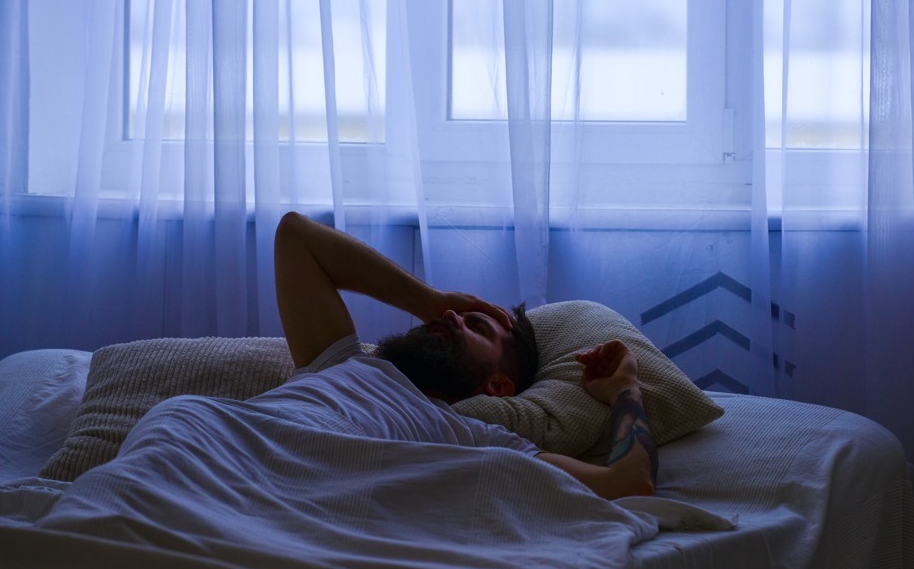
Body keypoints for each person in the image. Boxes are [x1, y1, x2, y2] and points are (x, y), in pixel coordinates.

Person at [273, 211, 657, 500]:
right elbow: (295, 235)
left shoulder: (475, 440)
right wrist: (430, 300)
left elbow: (628, 484)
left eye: (478, 327)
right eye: (455, 316)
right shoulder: (343, 363)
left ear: (498, 385)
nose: (452, 316)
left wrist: (625, 389)